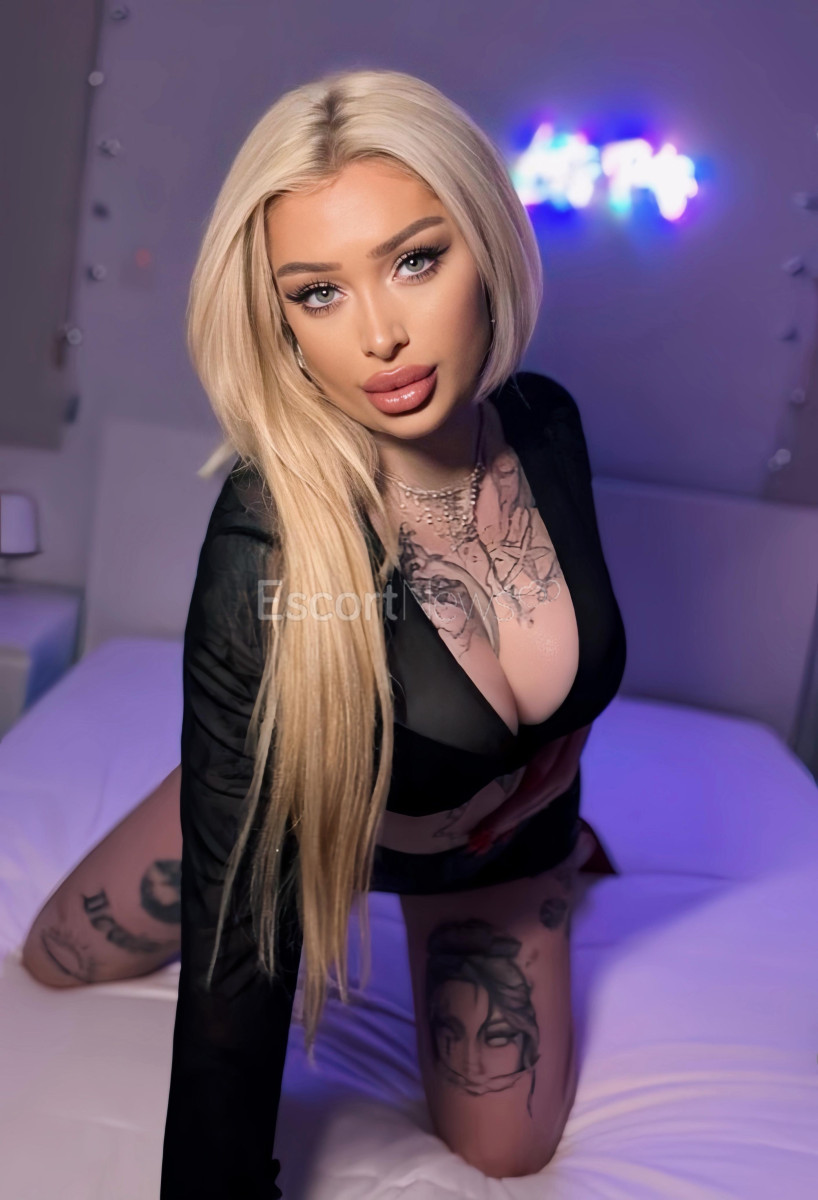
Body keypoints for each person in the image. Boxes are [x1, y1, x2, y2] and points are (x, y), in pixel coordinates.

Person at [24, 66, 627, 1197]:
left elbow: (571, 633)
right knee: (57, 956)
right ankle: (230, 762)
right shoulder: (271, 540)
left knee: (507, 1153)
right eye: (317, 292)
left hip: (499, 843)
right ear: (279, 319)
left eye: (415, 260)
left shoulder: (546, 424)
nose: (381, 335)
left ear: (488, 243)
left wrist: (558, 754)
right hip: (303, 809)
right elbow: (241, 949)